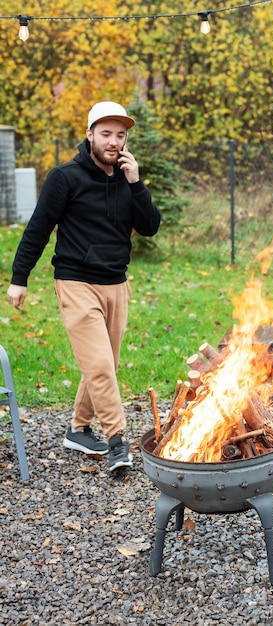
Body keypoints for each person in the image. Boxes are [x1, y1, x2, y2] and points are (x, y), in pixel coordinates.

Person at [7, 101, 161, 472]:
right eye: (106, 133)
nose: (113, 141)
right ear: (90, 134)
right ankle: (118, 441)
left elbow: (151, 226)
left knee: (106, 364)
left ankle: (78, 429)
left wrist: (136, 183)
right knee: (101, 366)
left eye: (120, 135)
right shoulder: (66, 177)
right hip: (76, 281)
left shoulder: (127, 178)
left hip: (116, 284)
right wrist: (19, 278)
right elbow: (39, 228)